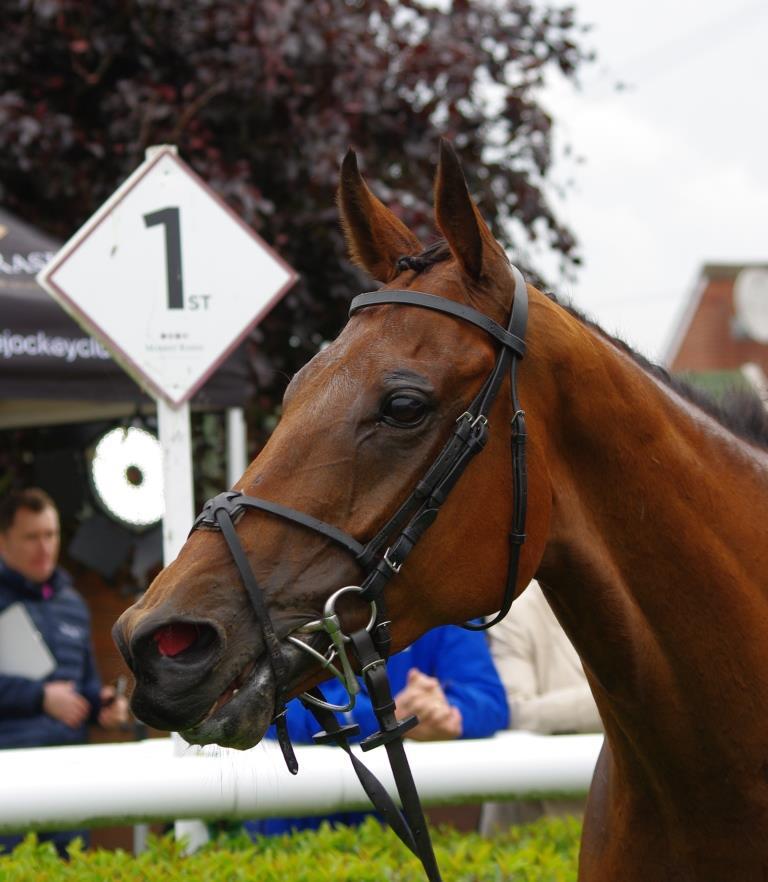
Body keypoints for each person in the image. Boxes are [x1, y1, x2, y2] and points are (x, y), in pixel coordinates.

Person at [244, 623, 508, 837]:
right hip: (295, 820)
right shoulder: (292, 596)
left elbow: (491, 702)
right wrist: (391, 717)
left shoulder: (446, 599)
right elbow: (269, 706)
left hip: (403, 824)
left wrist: (446, 714)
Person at [0, 488, 129, 856]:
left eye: (51, 534)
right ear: (3, 541)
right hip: (8, 778)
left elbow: (84, 687)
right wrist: (40, 697)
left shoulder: (73, 603)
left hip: (69, 774)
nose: (44, 547)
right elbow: (51, 697)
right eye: (31, 537)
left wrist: (103, 705)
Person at [480, 580, 603, 832]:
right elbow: (516, 711)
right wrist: (616, 701)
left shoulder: (642, 603)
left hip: (618, 811)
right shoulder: (513, 608)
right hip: (530, 829)